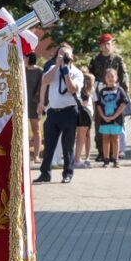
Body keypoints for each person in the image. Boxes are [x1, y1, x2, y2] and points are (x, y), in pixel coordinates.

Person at [34, 42, 83, 184]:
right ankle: (45, 173)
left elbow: (72, 89)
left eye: (65, 55)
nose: (62, 57)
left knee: (68, 145)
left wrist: (66, 72)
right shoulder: (52, 69)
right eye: (60, 54)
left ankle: (67, 173)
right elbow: (45, 80)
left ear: (72, 57)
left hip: (69, 112)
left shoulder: (77, 73)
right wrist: (57, 66)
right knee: (49, 145)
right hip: (53, 112)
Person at [88, 33, 128, 160]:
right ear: (100, 46)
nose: (106, 46)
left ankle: (114, 153)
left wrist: (124, 93)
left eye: (108, 44)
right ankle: (102, 152)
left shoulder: (117, 59)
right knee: (101, 124)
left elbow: (124, 77)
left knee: (116, 124)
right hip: (101, 96)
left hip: (116, 96)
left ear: (112, 44)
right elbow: (90, 78)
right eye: (103, 44)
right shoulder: (94, 61)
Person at [94, 68, 130, 167]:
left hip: (117, 120)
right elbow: (98, 105)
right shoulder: (102, 91)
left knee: (115, 139)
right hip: (104, 119)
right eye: (108, 76)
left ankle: (116, 159)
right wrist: (103, 116)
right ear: (105, 78)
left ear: (116, 78)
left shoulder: (119, 90)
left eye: (112, 76)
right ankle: (106, 160)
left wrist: (114, 116)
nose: (110, 78)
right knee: (105, 139)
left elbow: (123, 104)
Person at [74, 72, 94, 168]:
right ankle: (77, 160)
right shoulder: (85, 90)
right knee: (82, 137)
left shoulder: (80, 89)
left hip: (80, 113)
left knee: (79, 136)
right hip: (85, 113)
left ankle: (77, 158)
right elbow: (85, 103)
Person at [25, 52, 43, 161]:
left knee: (36, 129)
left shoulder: (39, 71)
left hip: (35, 103)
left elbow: (42, 88)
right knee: (24, 130)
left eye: (25, 56)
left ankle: (36, 155)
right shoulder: (22, 70)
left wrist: (41, 103)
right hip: (23, 103)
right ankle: (25, 155)